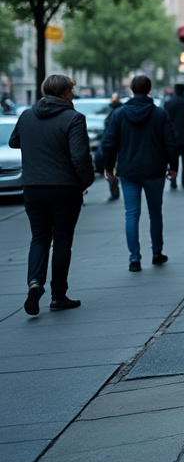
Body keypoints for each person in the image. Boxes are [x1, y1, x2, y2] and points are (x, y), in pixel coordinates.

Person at [9, 74, 96, 314]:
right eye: (72, 91)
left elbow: (14, 141)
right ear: (66, 93)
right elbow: (79, 156)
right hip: (64, 187)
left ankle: (35, 282)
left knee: (39, 238)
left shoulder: (27, 115)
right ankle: (59, 295)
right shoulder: (73, 118)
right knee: (62, 239)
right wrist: (86, 180)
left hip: (32, 186)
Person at [98, 75, 177, 273]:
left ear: (132, 90)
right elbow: (170, 142)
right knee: (155, 212)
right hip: (154, 169)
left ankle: (134, 259)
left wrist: (107, 167)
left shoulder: (119, 114)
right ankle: (157, 252)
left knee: (131, 214)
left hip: (128, 170)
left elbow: (109, 143)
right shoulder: (159, 114)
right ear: (149, 89)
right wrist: (173, 166)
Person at [104, 92, 123, 201]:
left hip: (114, 147)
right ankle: (114, 187)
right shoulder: (121, 113)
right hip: (118, 148)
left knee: (110, 169)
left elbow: (108, 135)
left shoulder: (112, 115)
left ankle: (114, 188)